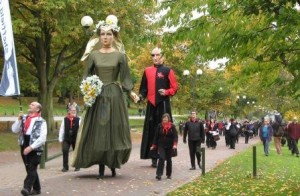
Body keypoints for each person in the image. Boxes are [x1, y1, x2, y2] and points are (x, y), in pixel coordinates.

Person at [72, 15, 139, 179]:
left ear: (114, 36)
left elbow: (125, 78)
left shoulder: (120, 56)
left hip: (115, 97)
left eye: (109, 34)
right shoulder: (93, 56)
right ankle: (102, 165)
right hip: (99, 98)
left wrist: (131, 92)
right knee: (101, 129)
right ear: (99, 36)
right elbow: (86, 76)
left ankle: (113, 162)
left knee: (114, 129)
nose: (105, 37)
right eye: (102, 34)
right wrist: (88, 90)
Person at [139, 47, 178, 168]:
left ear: (162, 56)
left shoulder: (168, 71)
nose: (155, 57)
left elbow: (175, 88)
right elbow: (143, 89)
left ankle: (164, 155)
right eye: (153, 55)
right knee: (151, 130)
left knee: (164, 130)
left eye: (157, 55)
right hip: (151, 105)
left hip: (164, 104)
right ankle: (153, 157)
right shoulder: (147, 71)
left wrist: (166, 92)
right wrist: (140, 97)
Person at [11, 102, 47, 196]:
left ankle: (26, 188)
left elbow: (42, 138)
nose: (30, 105)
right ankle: (37, 189)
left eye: (33, 105)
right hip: (24, 143)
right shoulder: (24, 118)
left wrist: (31, 147)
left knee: (32, 167)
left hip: (35, 147)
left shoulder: (41, 121)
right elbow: (14, 130)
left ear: (38, 109)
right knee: (30, 168)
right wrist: (18, 120)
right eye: (30, 104)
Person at [150, 113, 178, 180]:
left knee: (169, 160)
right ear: (162, 119)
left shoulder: (172, 126)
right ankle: (159, 174)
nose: (165, 119)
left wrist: (174, 144)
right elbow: (156, 136)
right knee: (161, 158)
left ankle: (168, 174)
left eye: (166, 118)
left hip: (170, 145)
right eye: (164, 118)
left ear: (168, 119)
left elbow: (175, 136)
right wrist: (153, 145)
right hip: (161, 145)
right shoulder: (159, 126)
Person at [59, 106, 80, 172]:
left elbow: (80, 130)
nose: (73, 111)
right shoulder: (65, 119)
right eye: (72, 110)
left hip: (75, 138)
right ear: (69, 111)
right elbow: (62, 129)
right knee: (65, 150)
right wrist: (60, 138)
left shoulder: (78, 119)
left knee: (76, 152)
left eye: (74, 110)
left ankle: (77, 166)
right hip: (67, 138)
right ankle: (65, 167)